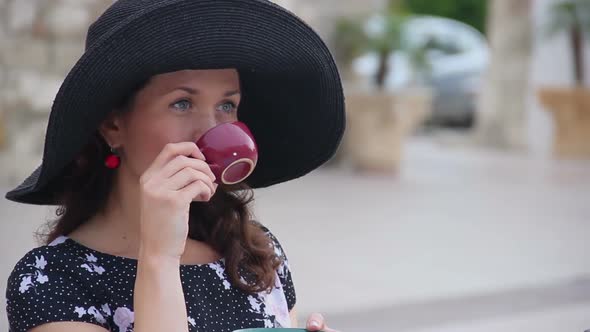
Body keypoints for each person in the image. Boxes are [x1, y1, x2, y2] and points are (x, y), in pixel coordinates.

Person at [4, 1, 345, 331]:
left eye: (227, 105)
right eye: (182, 103)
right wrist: (159, 258)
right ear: (113, 125)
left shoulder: (256, 253)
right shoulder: (50, 280)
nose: (213, 129)